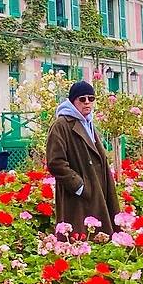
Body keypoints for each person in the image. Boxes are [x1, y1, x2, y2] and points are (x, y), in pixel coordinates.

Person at [46, 80, 119, 236]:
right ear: (73, 101)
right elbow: (55, 162)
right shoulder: (62, 125)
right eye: (82, 99)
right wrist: (79, 186)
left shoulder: (88, 122)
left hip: (98, 189)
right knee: (79, 237)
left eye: (91, 98)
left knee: (98, 237)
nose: (87, 102)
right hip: (77, 196)